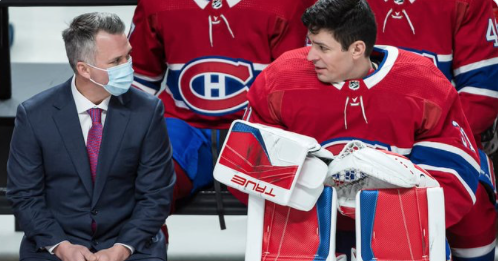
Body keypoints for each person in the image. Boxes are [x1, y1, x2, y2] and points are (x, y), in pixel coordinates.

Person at [236, 0, 481, 259]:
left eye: (322, 48)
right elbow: (243, 161)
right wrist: (316, 189)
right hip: (303, 225)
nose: (310, 56)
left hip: (398, 227)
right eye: (310, 44)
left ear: (357, 49)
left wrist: (379, 204)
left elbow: (456, 173)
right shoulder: (281, 78)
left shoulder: (422, 82)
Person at [6, 12, 175, 261]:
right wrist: (62, 246)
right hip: (55, 243)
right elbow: (24, 195)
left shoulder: (148, 111)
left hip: (131, 244)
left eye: (128, 55)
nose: (128, 65)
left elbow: (157, 195)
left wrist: (120, 249)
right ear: (84, 69)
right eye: (116, 61)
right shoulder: (34, 115)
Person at [128, 0, 316, 216]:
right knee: (146, 178)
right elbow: (140, 80)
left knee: (298, 188)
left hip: (258, 128)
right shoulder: (158, 4)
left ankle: (301, 249)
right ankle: (134, 249)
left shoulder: (286, 5)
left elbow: (297, 87)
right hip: (182, 127)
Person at [365, 0, 498, 259]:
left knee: (473, 209)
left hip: (438, 142)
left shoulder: (467, 4)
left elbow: (481, 93)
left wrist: (418, 149)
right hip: (356, 138)